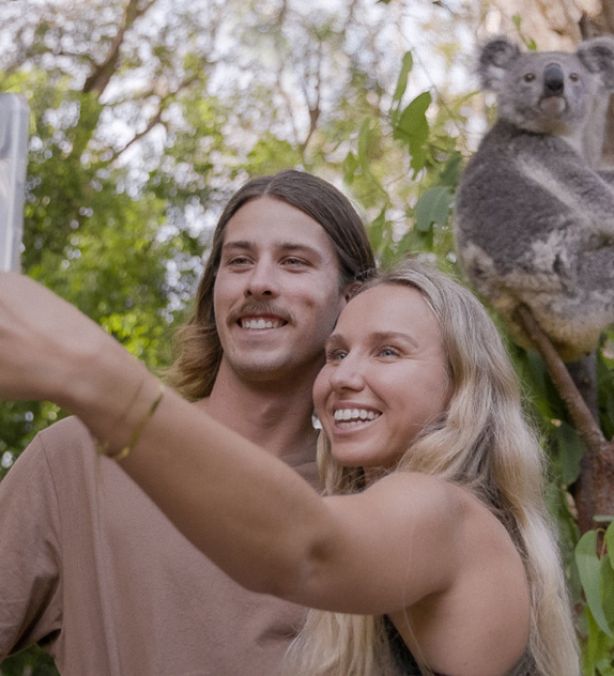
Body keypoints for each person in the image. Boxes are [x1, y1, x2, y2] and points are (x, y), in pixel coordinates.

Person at [0, 259, 579, 675]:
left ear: (461, 388)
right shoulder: (386, 529)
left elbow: (306, 549)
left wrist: (86, 372)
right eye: (337, 352)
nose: (345, 376)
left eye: (388, 351)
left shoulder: (447, 514)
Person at [0, 170, 375, 675]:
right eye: (238, 261)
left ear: (349, 300)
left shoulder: (371, 495)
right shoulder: (76, 458)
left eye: (293, 262)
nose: (258, 282)